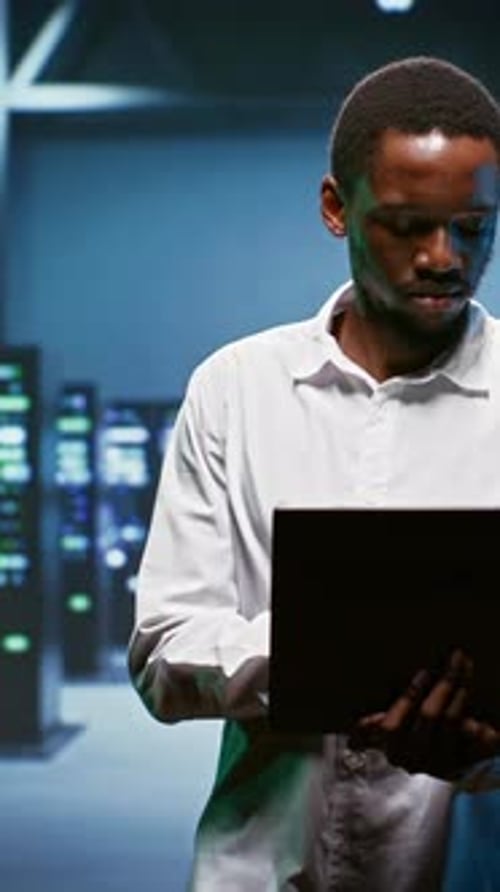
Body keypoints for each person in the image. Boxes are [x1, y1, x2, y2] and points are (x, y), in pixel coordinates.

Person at [128, 56, 500, 891]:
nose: (445, 257)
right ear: (338, 208)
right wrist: (322, 656)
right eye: (407, 225)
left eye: (474, 227)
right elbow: (162, 650)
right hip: (260, 871)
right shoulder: (234, 388)